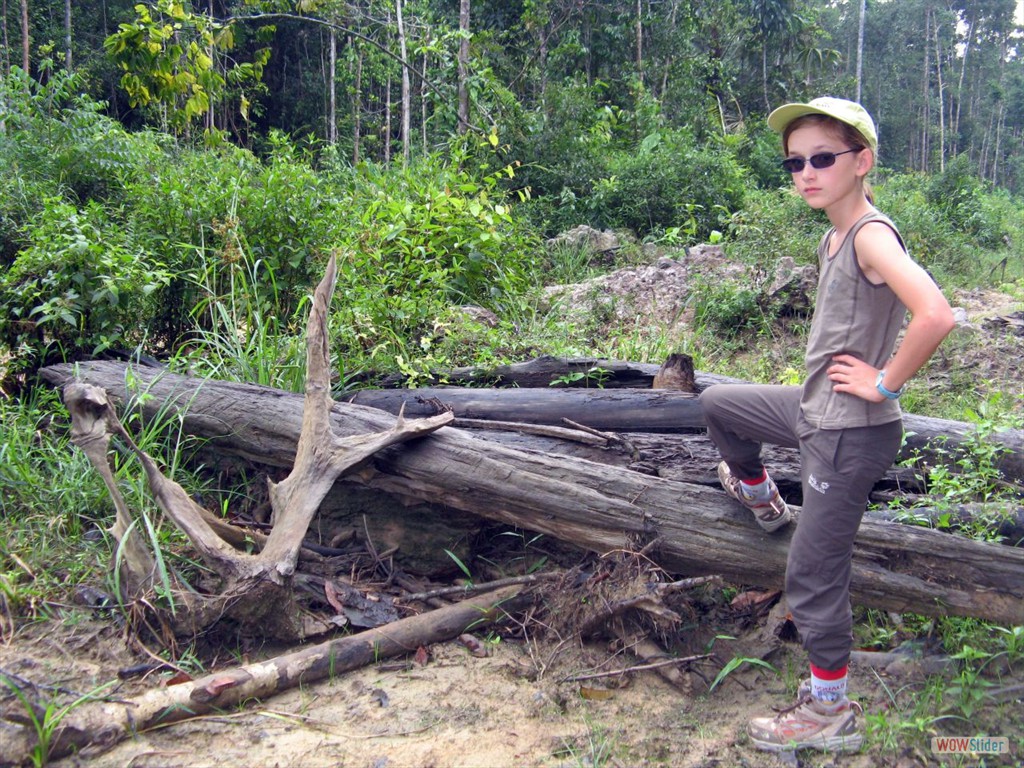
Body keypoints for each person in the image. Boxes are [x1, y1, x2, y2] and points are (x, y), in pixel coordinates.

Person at [698, 97, 955, 753]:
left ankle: (830, 711)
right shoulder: (833, 236)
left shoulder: (870, 234)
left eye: (821, 158)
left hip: (849, 435)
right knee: (721, 404)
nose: (806, 173)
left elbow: (935, 313)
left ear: (861, 162)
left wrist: (884, 381)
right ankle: (762, 498)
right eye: (794, 162)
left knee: (812, 574)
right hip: (815, 414)